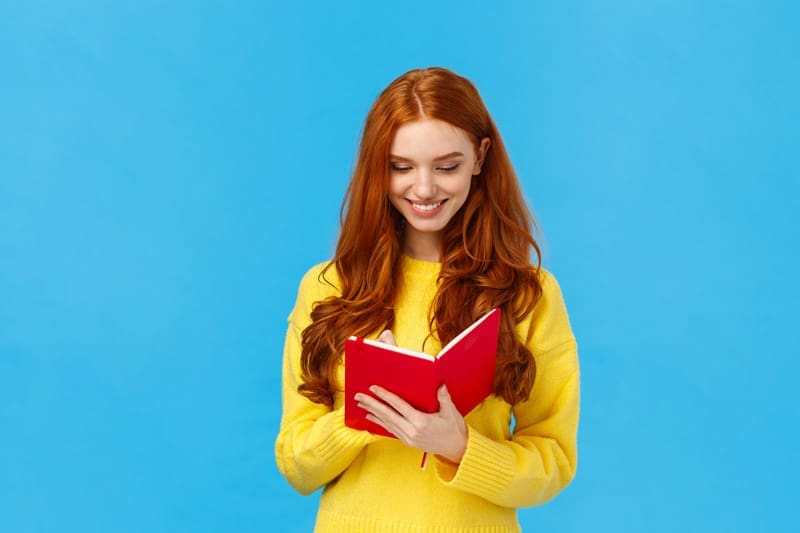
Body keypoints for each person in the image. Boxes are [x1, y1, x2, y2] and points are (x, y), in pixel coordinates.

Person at [275, 67, 580, 532]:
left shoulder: (528, 295)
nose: (423, 189)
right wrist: (362, 413)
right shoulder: (327, 287)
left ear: (480, 157)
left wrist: (459, 447)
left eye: (446, 167)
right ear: (377, 167)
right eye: (400, 167)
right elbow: (297, 468)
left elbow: (553, 460)